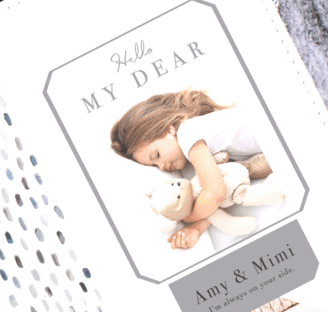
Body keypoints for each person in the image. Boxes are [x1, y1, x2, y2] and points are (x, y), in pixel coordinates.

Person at [110, 89, 266, 251]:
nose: (162, 166)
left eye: (156, 155)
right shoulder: (206, 145)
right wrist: (196, 229)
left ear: (169, 129)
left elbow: (215, 193)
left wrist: (186, 216)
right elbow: (228, 188)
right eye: (155, 166)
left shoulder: (187, 134)